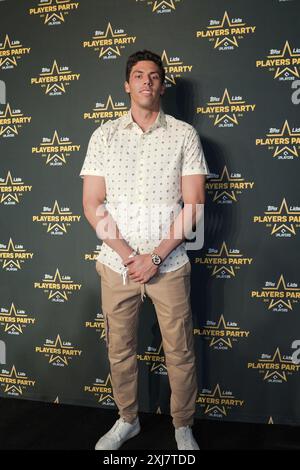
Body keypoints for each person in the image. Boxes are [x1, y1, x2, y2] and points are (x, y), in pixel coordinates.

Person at [79, 50, 210, 450]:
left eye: (154, 76)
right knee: (119, 351)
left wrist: (154, 257)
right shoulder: (104, 135)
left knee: (180, 350)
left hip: (168, 265)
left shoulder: (184, 134)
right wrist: (126, 254)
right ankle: (127, 419)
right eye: (138, 75)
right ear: (127, 85)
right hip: (116, 266)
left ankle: (182, 424)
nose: (147, 82)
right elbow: (91, 203)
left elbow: (194, 204)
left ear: (163, 85)